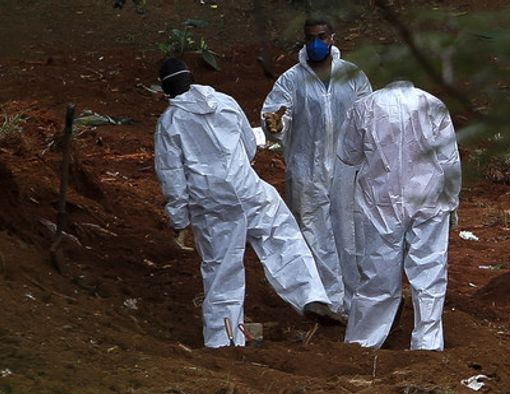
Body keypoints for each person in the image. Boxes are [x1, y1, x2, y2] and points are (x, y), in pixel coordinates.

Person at [152, 58, 338, 348]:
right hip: (249, 189)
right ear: (191, 78)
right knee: (283, 236)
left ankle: (223, 341)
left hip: (212, 205)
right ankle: (310, 296)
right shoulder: (225, 101)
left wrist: (179, 221)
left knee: (221, 270)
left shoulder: (170, 123)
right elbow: (249, 145)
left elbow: (173, 177)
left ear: (166, 90)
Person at [261, 16, 372, 318]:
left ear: (333, 38)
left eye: (321, 36)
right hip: (307, 172)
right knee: (314, 235)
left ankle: (356, 302)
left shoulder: (352, 76)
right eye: (310, 38)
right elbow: (275, 116)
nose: (315, 43)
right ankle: (327, 301)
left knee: (349, 235)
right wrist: (275, 124)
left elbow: (369, 117)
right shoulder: (291, 80)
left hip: (346, 171)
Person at [337, 80, 461, 350]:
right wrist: (451, 200)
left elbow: (348, 154)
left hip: (380, 202)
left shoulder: (364, 107)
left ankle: (363, 343)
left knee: (377, 275)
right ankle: (427, 344)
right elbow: (450, 160)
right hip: (428, 200)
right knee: (429, 273)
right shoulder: (433, 105)